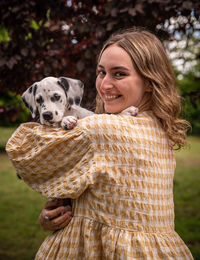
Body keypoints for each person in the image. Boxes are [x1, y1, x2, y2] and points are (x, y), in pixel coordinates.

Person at [6, 28, 193, 259]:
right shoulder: (161, 131)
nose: (104, 84)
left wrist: (48, 217)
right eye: (101, 72)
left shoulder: (101, 131)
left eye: (119, 74)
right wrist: (64, 208)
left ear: (149, 81)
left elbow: (23, 153)